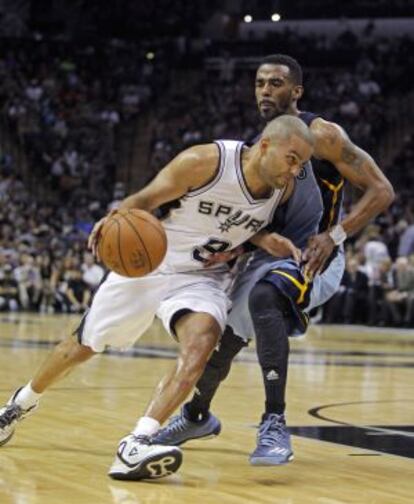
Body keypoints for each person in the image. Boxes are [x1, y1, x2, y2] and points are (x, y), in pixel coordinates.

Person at [0, 115, 314, 481]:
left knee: (202, 341)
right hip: (150, 262)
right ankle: (18, 405)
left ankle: (138, 442)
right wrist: (118, 216)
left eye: (302, 164)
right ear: (265, 145)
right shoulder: (205, 162)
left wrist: (260, 240)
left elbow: (243, 225)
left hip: (203, 277)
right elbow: (145, 199)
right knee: (80, 347)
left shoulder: (283, 191)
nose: (295, 170)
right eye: (292, 158)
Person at [152, 54, 394, 466]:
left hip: (316, 255)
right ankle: (196, 415)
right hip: (272, 254)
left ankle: (274, 423)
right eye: (261, 82)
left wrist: (334, 236)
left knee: (266, 297)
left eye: (276, 83)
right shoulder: (262, 142)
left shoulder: (322, 134)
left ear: (296, 91)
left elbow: (382, 190)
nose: (266, 90)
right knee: (223, 338)